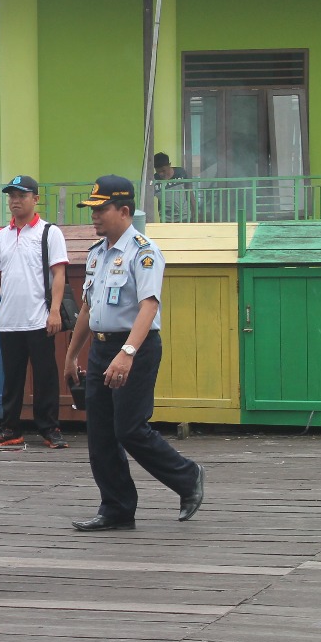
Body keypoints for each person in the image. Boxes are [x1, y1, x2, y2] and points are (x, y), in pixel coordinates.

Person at [65, 176, 204, 532]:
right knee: (100, 433)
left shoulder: (143, 252)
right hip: (100, 348)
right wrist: (71, 356)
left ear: (124, 211)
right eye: (92, 209)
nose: (94, 216)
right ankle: (116, 507)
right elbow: (86, 308)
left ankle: (187, 477)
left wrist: (126, 353)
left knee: (129, 429)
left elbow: (149, 307)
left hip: (134, 348)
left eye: (101, 209)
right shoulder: (97, 254)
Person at [0, 175, 69, 449]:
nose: (15, 201)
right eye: (11, 196)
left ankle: (49, 429)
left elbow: (59, 274)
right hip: (9, 321)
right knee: (12, 377)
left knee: (45, 376)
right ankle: (10, 428)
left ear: (35, 198)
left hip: (39, 318)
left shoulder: (49, 233)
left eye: (21, 195)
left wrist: (54, 311)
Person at [153, 152, 195, 223]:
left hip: (185, 217)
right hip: (166, 219)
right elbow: (148, 200)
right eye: (158, 171)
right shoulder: (154, 179)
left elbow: (189, 192)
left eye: (163, 170)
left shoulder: (180, 173)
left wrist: (194, 210)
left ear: (169, 165)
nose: (161, 174)